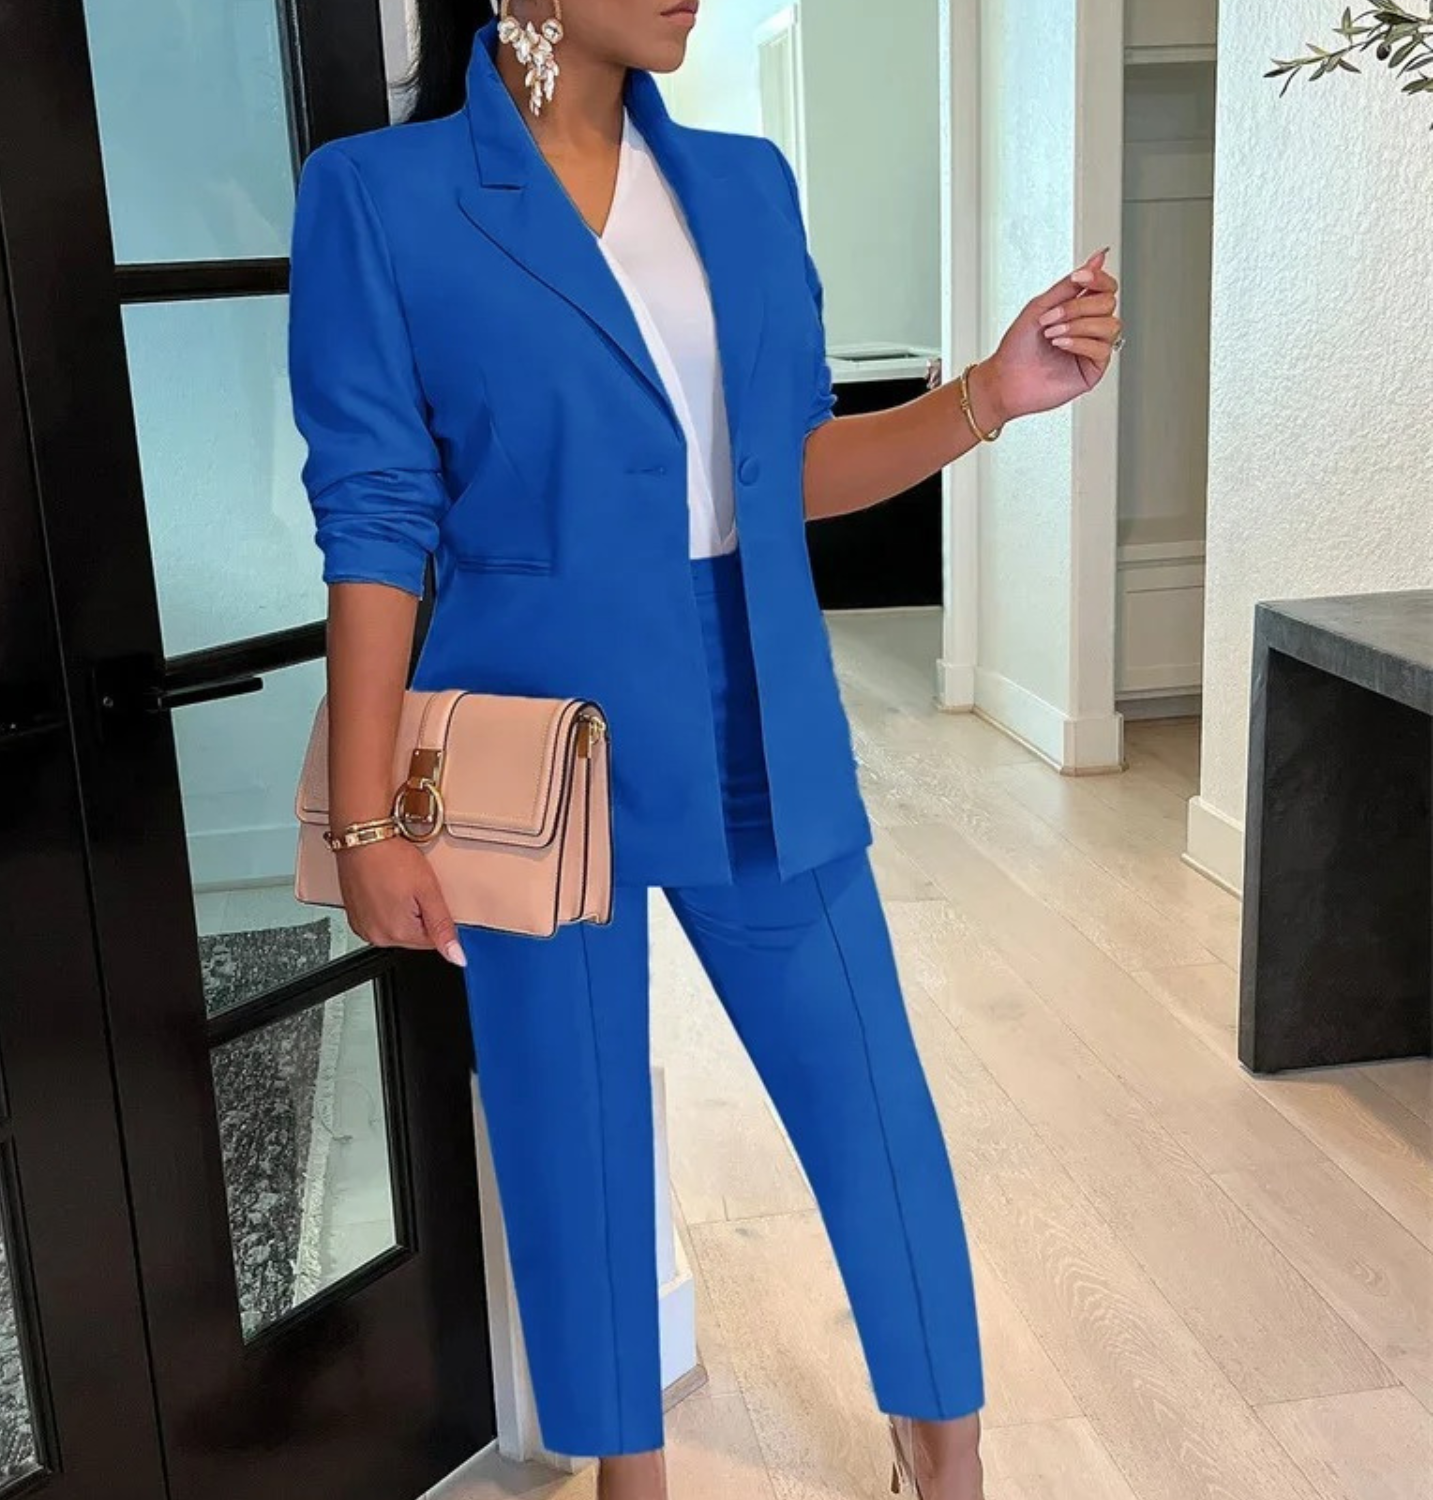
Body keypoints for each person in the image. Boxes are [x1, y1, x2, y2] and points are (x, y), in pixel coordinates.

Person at [287, 3, 1123, 1496]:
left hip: (757, 715)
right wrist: (366, 818)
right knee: (572, 1135)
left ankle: (947, 1453)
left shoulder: (743, 183)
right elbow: (374, 516)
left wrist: (990, 395)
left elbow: (784, 468)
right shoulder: (379, 195)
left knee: (869, 1098)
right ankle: (632, 1475)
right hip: (535, 747)